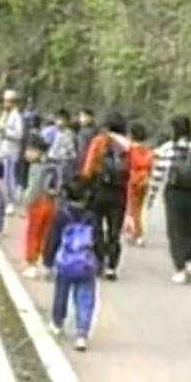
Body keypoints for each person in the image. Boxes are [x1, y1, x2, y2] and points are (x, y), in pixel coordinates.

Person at [152, 115, 191, 283]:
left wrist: (151, 195)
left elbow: (158, 172)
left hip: (174, 191)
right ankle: (189, 261)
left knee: (175, 230)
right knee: (189, 229)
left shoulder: (168, 148)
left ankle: (180, 267)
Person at [43, 176, 100, 352]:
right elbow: (98, 240)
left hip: (65, 262)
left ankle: (57, 322)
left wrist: (48, 261)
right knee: (85, 297)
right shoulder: (91, 217)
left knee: (61, 293)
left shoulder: (61, 216)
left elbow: (53, 239)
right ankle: (82, 333)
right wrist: (99, 259)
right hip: (86, 264)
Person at [78, 112, 132, 281]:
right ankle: (112, 266)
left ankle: (99, 260)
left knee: (96, 226)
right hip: (120, 191)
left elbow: (88, 167)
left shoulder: (100, 140)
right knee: (114, 230)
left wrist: (84, 185)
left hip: (100, 188)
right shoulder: (128, 145)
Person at [22, 136, 58, 279]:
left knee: (33, 234)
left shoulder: (36, 167)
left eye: (30, 150)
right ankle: (49, 266)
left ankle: (32, 265)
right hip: (51, 203)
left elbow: (33, 188)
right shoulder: (53, 165)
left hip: (38, 204)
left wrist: (26, 201)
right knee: (48, 236)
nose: (26, 153)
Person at [0, 89, 27, 209]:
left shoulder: (17, 116)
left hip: (12, 151)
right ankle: (5, 200)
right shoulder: (3, 115)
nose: (5, 104)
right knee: (3, 178)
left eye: (7, 101)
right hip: (3, 150)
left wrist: (5, 131)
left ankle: (12, 201)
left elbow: (19, 134)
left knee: (10, 177)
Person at [124, 123, 155, 247]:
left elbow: (127, 164)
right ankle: (132, 232)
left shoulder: (130, 150)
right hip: (144, 180)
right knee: (138, 209)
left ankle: (137, 234)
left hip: (133, 180)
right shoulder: (148, 151)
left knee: (132, 209)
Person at [47, 109, 79, 186]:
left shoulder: (69, 134)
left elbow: (71, 152)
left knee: (60, 184)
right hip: (51, 161)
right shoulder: (51, 131)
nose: (60, 122)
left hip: (63, 164)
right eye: (57, 119)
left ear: (67, 121)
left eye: (62, 120)